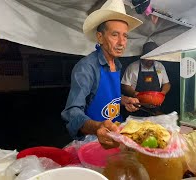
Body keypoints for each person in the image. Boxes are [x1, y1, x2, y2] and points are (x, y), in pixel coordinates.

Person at [61, 0, 143, 149]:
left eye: (125, 36)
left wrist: (123, 100)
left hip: (117, 135)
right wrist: (98, 127)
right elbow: (71, 112)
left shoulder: (117, 64)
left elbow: (106, 96)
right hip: (93, 142)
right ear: (100, 37)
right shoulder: (86, 67)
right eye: (114, 35)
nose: (121, 42)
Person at [121, 42, 171, 115]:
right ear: (142, 55)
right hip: (137, 106)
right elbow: (125, 85)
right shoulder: (132, 67)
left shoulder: (160, 66)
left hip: (155, 107)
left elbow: (166, 84)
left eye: (153, 57)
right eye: (148, 57)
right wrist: (135, 94)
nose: (150, 60)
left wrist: (162, 94)